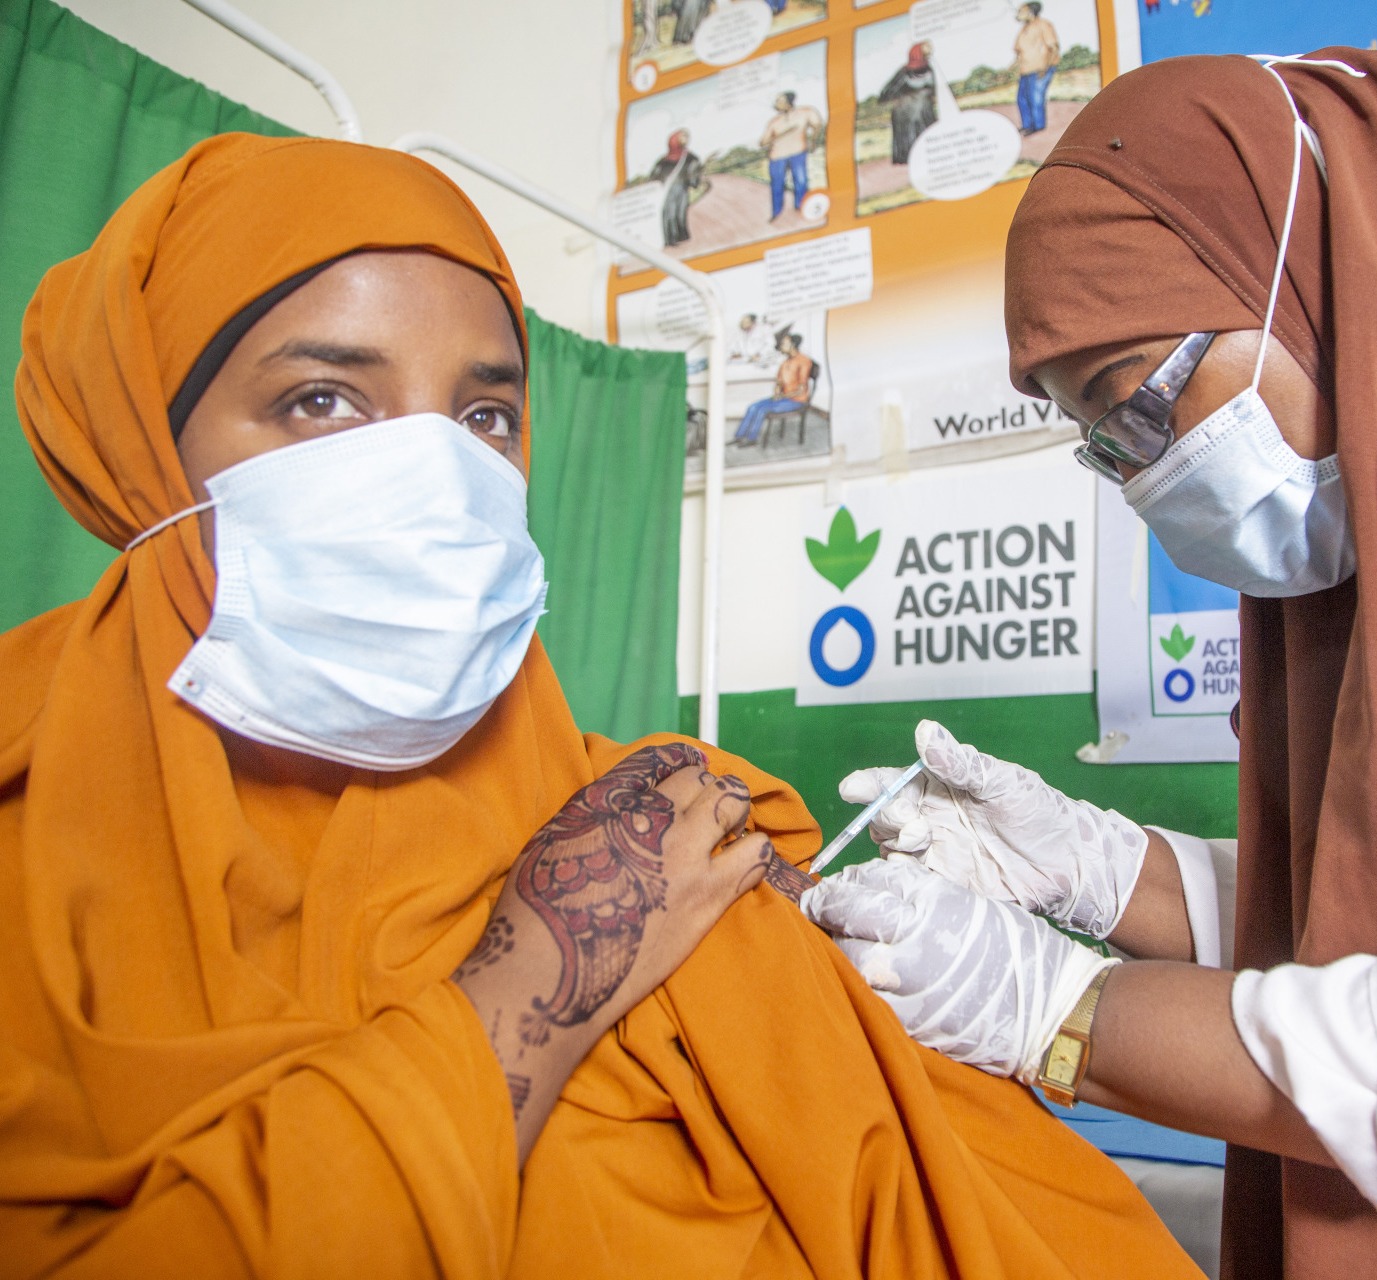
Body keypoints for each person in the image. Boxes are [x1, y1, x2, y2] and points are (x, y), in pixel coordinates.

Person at [0, 132, 1202, 1276]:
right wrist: (528, 992)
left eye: (484, 417)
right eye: (323, 399)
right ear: (143, 450)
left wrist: (1094, 934)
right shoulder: (28, 837)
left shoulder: (663, 812)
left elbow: (981, 1202)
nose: (433, 475)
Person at [803, 48, 1377, 1277]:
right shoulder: (1372, 434)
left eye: (1136, 407)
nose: (1146, 474)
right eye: (1104, 448)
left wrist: (1060, 1012)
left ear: (1286, 265)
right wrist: (1091, 866)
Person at [733, 330, 814, 444]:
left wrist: (782, 396)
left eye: (784, 344)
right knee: (752, 407)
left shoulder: (804, 361)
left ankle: (751, 439)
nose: (780, 346)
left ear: (793, 345)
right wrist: (777, 392)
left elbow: (801, 390)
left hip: (796, 400)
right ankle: (739, 437)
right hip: (783, 397)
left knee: (762, 409)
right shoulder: (785, 363)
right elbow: (779, 382)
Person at [759, 91, 823, 221]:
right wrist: (775, 138)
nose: (777, 104)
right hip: (777, 157)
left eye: (780, 101)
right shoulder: (774, 122)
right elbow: (762, 142)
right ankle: (776, 213)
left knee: (801, 181)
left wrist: (814, 140)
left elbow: (817, 125)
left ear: (789, 103)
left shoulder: (805, 112)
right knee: (777, 185)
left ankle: (801, 207)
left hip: (798, 152)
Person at [879, 41, 937, 165]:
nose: (928, 56)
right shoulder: (904, 72)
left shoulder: (929, 70)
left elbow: (933, 90)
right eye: (925, 54)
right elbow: (886, 93)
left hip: (924, 110)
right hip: (906, 112)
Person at [648, 128, 703, 247]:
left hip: (682, 190)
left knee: (680, 213)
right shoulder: (663, 162)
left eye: (686, 137)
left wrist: (693, 182)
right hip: (668, 192)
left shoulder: (690, 158)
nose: (685, 140)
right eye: (682, 137)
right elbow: (654, 177)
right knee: (670, 214)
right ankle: (671, 239)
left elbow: (693, 173)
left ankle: (682, 237)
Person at [1013, 2, 1060, 135]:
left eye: (1021, 11)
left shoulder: (1043, 25)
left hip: (1040, 69)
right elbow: (1019, 52)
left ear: (1030, 12)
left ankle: (1038, 126)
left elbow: (1054, 47)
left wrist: (1045, 68)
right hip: (1026, 70)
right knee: (1021, 98)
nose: (1018, 14)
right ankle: (1027, 125)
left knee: (1036, 98)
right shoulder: (1023, 29)